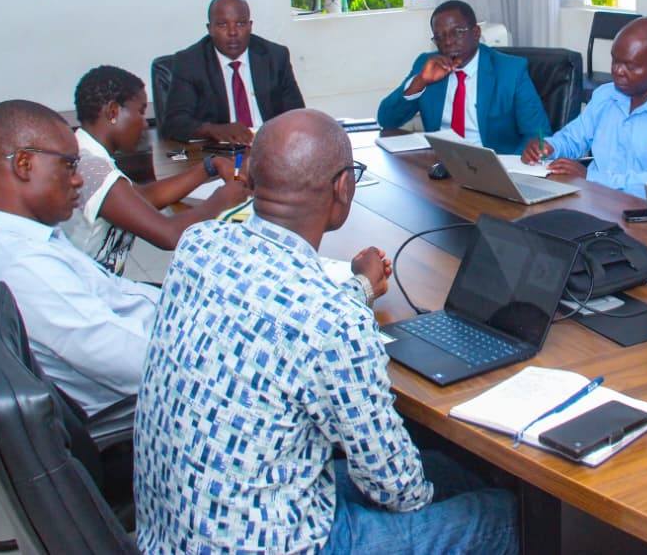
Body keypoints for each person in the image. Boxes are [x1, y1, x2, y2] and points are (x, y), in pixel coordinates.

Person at [133, 110, 518, 554]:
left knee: (453, 470)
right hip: (276, 543)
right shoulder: (332, 315)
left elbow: (279, 314)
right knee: (501, 512)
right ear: (343, 187)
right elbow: (395, 486)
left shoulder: (198, 244)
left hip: (178, 529)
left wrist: (357, 289)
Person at [0, 100, 160, 417]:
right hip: (149, 400)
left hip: (152, 329)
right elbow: (136, 363)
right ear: (23, 164)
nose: (77, 180)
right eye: (69, 165)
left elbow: (112, 293)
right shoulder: (23, 267)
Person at [64, 65, 250, 274]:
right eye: (140, 112)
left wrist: (209, 166)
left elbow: (142, 197)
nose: (144, 124)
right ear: (113, 112)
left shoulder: (86, 152)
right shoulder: (92, 168)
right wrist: (222, 200)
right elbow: (169, 234)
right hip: (94, 293)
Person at [521, 17, 647, 196]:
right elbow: (574, 137)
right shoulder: (607, 95)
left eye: (630, 66)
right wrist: (549, 147)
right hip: (590, 199)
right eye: (615, 61)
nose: (617, 71)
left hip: (640, 215)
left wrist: (592, 178)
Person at [377, 0, 550, 154]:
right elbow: (387, 119)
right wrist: (420, 81)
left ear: (476, 33)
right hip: (443, 164)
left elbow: (539, 133)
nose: (448, 41)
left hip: (494, 166)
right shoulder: (427, 65)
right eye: (440, 36)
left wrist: (511, 167)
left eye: (457, 32)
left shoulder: (510, 71)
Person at [161, 0, 305, 143]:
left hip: (270, 147)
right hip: (220, 152)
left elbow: (297, 114)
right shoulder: (189, 63)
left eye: (241, 24)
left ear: (250, 26)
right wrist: (215, 129)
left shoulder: (275, 57)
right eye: (222, 24)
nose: (233, 32)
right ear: (209, 29)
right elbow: (174, 123)